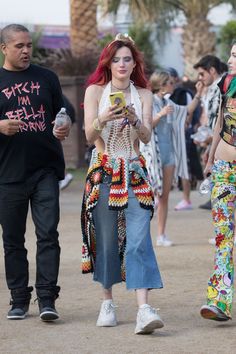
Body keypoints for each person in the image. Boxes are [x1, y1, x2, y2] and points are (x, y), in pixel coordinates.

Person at [81, 33, 164, 334]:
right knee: (105, 238)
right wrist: (103, 117)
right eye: (116, 59)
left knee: (140, 237)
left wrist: (136, 120)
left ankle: (143, 309)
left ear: (134, 63)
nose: (121, 64)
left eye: (127, 59)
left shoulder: (144, 95)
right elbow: (90, 138)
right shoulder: (94, 92)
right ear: (108, 62)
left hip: (134, 172)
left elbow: (145, 138)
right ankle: (107, 301)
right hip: (103, 172)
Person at [0, 24, 70, 321]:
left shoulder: (47, 77)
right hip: (8, 174)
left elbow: (63, 113)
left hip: (45, 170)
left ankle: (46, 299)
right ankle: (18, 300)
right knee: (13, 240)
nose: (26, 50)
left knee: (48, 235)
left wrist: (63, 124)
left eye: (28, 45)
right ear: (4, 48)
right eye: (19, 46)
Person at [141, 71, 204, 246]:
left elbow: (187, 111)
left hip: (169, 155)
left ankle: (161, 235)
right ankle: (143, 236)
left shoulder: (168, 102)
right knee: (149, 196)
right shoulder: (150, 102)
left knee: (164, 196)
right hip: (152, 155)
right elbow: (144, 127)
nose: (173, 85)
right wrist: (160, 114)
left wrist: (198, 94)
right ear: (161, 84)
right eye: (170, 82)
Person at [200, 43, 236, 322]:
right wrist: (211, 159)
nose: (229, 60)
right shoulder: (226, 84)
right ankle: (219, 302)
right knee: (224, 237)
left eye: (235, 55)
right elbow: (218, 125)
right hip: (224, 169)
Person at [166, 67, 203, 211]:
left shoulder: (183, 93)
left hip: (182, 135)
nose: (168, 82)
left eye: (169, 78)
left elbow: (189, 112)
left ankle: (186, 199)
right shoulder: (161, 96)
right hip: (165, 136)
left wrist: (186, 124)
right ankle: (158, 197)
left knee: (184, 167)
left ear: (176, 79)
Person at [193, 55, 225, 211]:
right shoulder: (212, 89)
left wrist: (211, 141)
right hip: (215, 144)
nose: (200, 78)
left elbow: (224, 121)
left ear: (212, 70)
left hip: (223, 145)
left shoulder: (222, 88)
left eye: (202, 74)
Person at [59, 94, 75, 190]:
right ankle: (62, 176)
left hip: (65, 117)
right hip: (67, 116)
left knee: (54, 148)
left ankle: (64, 176)